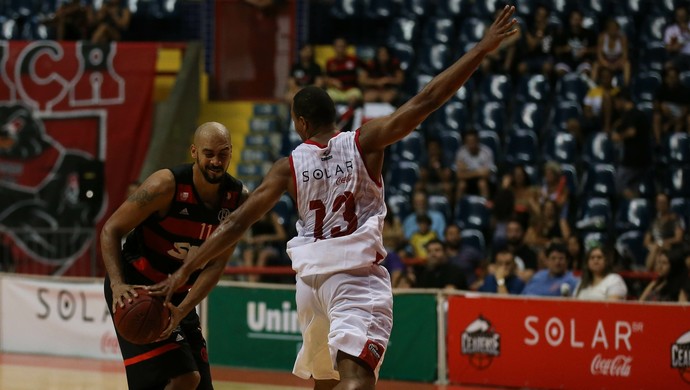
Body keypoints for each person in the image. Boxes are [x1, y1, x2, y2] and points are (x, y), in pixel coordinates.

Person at [148, 7, 518, 389]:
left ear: (301, 123)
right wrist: (481, 49)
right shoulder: (364, 141)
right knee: (355, 379)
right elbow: (426, 100)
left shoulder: (287, 166)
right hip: (355, 277)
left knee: (325, 382)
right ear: (333, 116)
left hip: (310, 284)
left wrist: (182, 272)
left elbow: (235, 223)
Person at [100, 122, 247, 389]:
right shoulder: (164, 185)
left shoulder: (237, 199)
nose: (216, 161)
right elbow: (110, 229)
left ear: (231, 152)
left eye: (223, 153)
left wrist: (182, 310)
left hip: (178, 297)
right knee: (185, 378)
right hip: (137, 289)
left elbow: (216, 266)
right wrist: (118, 284)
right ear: (194, 152)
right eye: (208, 153)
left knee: (200, 385)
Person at [610, 88, 653, 199]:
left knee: (619, 184)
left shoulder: (633, 114)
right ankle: (635, 206)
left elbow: (631, 132)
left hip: (634, 159)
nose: (615, 105)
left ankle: (634, 201)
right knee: (633, 187)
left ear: (622, 100)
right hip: (638, 159)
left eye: (616, 101)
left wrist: (619, 137)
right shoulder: (630, 115)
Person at [241, 210, 287, 283]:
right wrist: (250, 240)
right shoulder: (253, 216)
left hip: (270, 247)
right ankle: (251, 282)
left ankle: (255, 282)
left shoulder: (272, 216)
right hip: (255, 246)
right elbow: (241, 234)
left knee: (263, 255)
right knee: (247, 254)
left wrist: (265, 238)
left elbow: (282, 235)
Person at [644, 192, 685, 270]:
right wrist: (654, 246)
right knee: (655, 250)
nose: (661, 205)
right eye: (659, 202)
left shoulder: (675, 219)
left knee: (658, 251)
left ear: (668, 204)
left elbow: (678, 238)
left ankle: (648, 272)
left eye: (663, 202)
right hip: (655, 249)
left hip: (670, 248)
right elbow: (646, 241)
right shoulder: (653, 221)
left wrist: (661, 243)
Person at [652, 66, 690, 144]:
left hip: (680, 117)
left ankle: (685, 145)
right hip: (666, 116)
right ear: (666, 78)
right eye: (670, 77)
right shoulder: (661, 89)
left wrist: (670, 123)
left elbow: (686, 109)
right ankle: (658, 143)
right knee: (657, 117)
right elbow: (656, 105)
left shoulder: (684, 91)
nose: (672, 79)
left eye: (674, 77)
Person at [323, 36, 365, 106]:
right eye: (338, 46)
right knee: (328, 98)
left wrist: (362, 76)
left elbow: (365, 69)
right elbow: (326, 78)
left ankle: (348, 116)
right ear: (334, 48)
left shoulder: (353, 59)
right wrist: (332, 81)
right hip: (335, 90)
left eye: (343, 46)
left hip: (351, 89)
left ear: (346, 47)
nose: (340, 49)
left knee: (353, 98)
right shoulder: (330, 62)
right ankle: (334, 116)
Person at [455, 129, 495, 199]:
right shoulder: (461, 153)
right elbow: (459, 175)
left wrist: (467, 172)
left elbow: (486, 174)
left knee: (482, 183)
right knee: (461, 185)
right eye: (469, 142)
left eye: (473, 141)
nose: (471, 144)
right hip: (467, 181)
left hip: (483, 181)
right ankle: (458, 208)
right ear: (465, 142)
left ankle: (485, 207)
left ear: (478, 141)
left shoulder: (487, 152)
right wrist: (478, 172)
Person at [592, 18, 631, 86]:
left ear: (618, 30)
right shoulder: (602, 37)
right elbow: (599, 55)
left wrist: (616, 64)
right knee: (596, 65)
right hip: (605, 61)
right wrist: (606, 64)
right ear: (607, 30)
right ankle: (592, 85)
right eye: (611, 29)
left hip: (617, 61)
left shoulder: (622, 38)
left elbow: (625, 55)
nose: (613, 31)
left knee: (627, 64)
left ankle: (626, 86)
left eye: (615, 29)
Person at [664, 6, 690, 71]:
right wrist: (674, 47)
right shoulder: (671, 30)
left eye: (683, 16)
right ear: (676, 17)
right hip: (679, 56)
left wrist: (687, 30)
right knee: (668, 65)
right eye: (679, 16)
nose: (681, 18)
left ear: (687, 16)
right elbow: (668, 48)